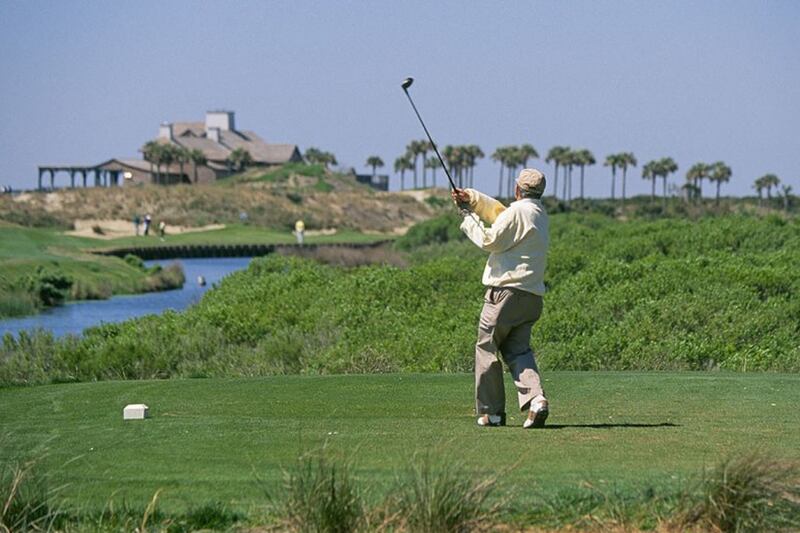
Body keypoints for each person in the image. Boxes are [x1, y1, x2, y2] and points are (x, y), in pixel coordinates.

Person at [452, 168, 550, 429]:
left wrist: (467, 216)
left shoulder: (518, 212)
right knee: (518, 350)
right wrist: (472, 198)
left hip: (505, 294)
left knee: (486, 347)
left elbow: (489, 239)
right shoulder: (538, 213)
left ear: (518, 189)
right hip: (531, 297)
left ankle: (492, 413)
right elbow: (502, 214)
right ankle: (536, 399)